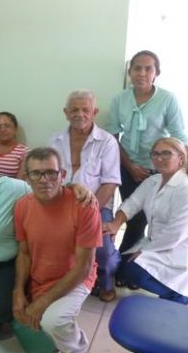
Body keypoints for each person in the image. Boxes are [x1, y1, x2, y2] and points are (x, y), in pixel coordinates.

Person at [0, 141, 94, 341]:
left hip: (2, 264)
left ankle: (0, 314)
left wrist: (75, 187)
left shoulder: (13, 189)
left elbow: (48, 186)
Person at [107, 50, 188, 255]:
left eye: (148, 68)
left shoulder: (167, 99)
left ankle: (129, 260)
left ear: (156, 73)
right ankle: (126, 260)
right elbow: (114, 137)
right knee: (132, 215)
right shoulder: (120, 100)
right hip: (127, 166)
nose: (142, 73)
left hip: (157, 167)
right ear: (130, 72)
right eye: (137, 68)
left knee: (143, 219)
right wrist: (130, 167)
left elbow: (180, 136)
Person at [13, 147, 102, 353]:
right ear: (26, 177)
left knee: (53, 321)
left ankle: (77, 348)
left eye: (51, 173)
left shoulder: (84, 206)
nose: (44, 179)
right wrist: (18, 291)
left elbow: (84, 267)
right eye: (36, 173)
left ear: (62, 175)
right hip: (40, 276)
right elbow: (24, 252)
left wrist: (43, 302)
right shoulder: (21, 207)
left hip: (77, 277)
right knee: (20, 314)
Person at [103, 137, 188, 305]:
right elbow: (132, 203)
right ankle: (162, 283)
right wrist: (116, 224)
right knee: (120, 266)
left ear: (181, 158)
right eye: (155, 154)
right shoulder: (153, 181)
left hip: (182, 250)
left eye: (166, 154)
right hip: (159, 241)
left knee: (132, 270)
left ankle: (176, 294)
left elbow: (177, 233)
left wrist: (146, 250)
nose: (159, 158)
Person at [50, 89, 121, 302]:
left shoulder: (107, 141)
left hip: (97, 206)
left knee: (104, 256)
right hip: (62, 205)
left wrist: (90, 211)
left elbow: (110, 182)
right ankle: (69, 282)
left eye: (85, 110)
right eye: (74, 110)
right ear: (66, 112)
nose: (79, 114)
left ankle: (106, 282)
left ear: (95, 112)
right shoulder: (54, 140)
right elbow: (50, 178)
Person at [0, 111, 28, 178]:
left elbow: (19, 182)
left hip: (12, 188)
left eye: (7, 126)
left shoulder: (24, 152)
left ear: (15, 129)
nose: (2, 130)